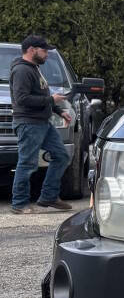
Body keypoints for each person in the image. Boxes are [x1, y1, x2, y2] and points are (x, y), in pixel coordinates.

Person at [9, 35, 72, 214]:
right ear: (32, 50)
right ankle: (19, 204)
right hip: (29, 124)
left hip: (42, 123)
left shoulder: (34, 68)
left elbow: (41, 97)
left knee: (61, 156)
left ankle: (49, 196)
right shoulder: (22, 71)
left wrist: (59, 111)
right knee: (27, 163)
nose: (47, 54)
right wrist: (51, 99)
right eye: (44, 50)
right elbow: (22, 99)